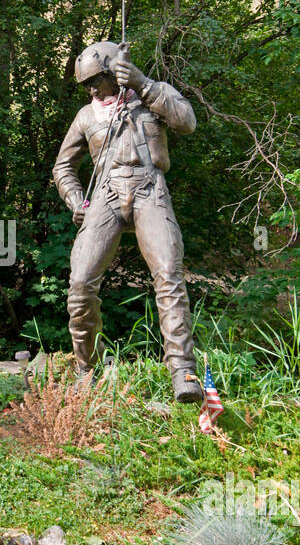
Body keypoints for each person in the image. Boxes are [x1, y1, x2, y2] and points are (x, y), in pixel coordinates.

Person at [53, 40, 204, 402]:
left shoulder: (150, 94)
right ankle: (86, 370)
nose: (91, 89)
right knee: (80, 283)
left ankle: (183, 370)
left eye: (96, 80)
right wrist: (77, 200)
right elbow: (63, 168)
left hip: (150, 189)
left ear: (112, 72)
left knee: (168, 273)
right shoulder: (86, 116)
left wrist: (142, 83)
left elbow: (187, 122)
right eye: (85, 84)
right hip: (104, 196)